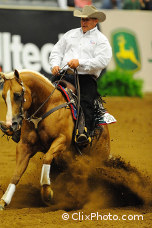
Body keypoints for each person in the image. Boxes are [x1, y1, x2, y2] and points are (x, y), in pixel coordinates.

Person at [49, 5, 112, 145]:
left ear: (95, 21)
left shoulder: (101, 40)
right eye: (82, 19)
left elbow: (102, 60)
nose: (84, 22)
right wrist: (54, 65)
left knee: (85, 102)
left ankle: (83, 133)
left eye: (87, 20)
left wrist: (80, 63)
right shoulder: (70, 34)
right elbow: (56, 51)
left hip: (86, 78)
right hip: (64, 74)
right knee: (45, 94)